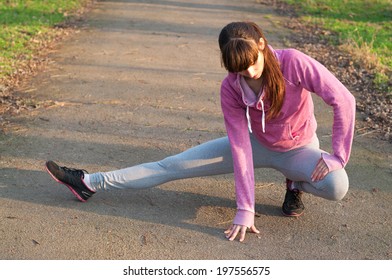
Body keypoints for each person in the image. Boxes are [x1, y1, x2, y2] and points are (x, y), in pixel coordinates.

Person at [45, 21, 355, 242]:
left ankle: (295, 184)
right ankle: (90, 182)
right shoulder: (231, 87)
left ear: (262, 45)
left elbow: (342, 99)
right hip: (257, 144)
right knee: (170, 167)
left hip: (300, 149)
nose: (249, 73)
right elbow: (240, 149)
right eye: (238, 69)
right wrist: (244, 208)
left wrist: (338, 155)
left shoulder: (293, 62)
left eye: (252, 63)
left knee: (337, 185)